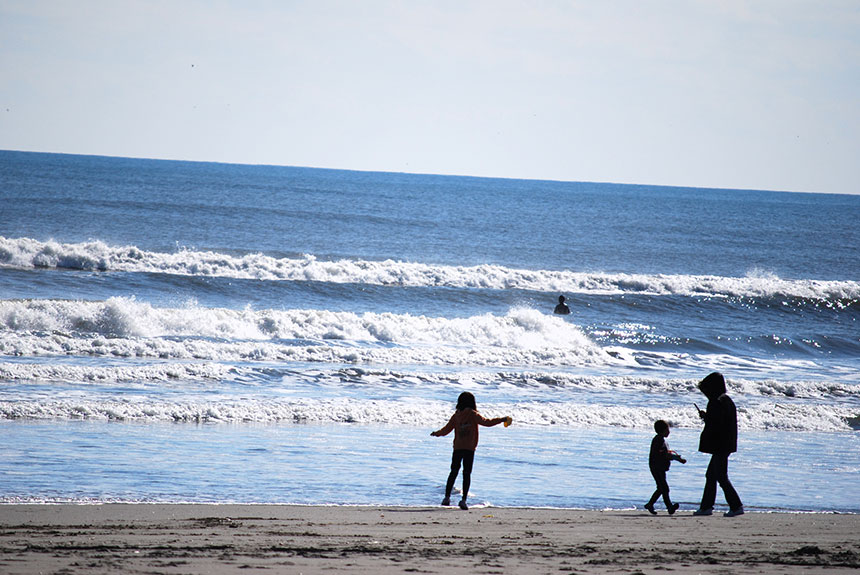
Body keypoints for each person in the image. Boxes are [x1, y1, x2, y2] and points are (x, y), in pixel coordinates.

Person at [430, 391, 511, 510]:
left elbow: (447, 429)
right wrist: (502, 419)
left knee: (453, 472)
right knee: (466, 474)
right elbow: (487, 422)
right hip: (469, 448)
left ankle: (446, 498)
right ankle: (463, 500)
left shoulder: (456, 415)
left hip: (457, 448)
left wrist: (437, 433)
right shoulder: (473, 414)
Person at [693, 372, 744, 517]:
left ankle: (736, 506)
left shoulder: (717, 402)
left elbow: (716, 423)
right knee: (711, 475)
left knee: (720, 476)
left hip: (720, 445)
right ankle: (706, 507)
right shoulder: (726, 400)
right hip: (726, 443)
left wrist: (706, 417)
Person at [644, 419, 686, 515]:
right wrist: (678, 459)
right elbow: (665, 455)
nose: (669, 432)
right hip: (657, 467)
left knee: (661, 488)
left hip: (658, 467)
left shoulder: (660, 440)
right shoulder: (659, 440)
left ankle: (651, 504)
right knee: (664, 488)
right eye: (667, 429)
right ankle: (668, 507)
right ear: (663, 431)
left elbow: (664, 454)